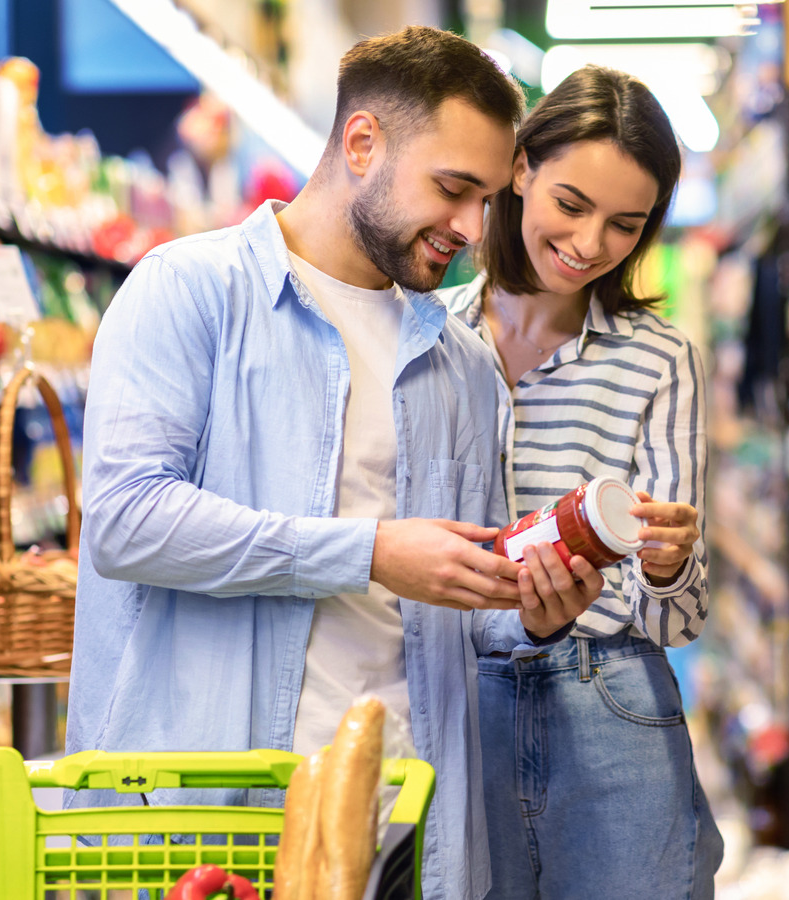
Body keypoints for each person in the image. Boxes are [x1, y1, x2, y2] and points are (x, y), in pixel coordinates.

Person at [65, 27, 599, 900]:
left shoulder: (463, 367)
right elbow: (127, 522)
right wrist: (369, 550)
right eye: (453, 189)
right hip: (209, 818)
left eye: (489, 200)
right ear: (362, 144)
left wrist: (535, 613)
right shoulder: (189, 291)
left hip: (404, 823)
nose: (471, 229)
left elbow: (464, 613)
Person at [439, 65, 724, 899]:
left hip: (613, 703)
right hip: (460, 701)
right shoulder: (429, 338)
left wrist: (670, 564)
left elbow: (681, 621)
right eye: (571, 204)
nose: (591, 243)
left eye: (625, 224)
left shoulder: (659, 359)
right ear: (520, 169)